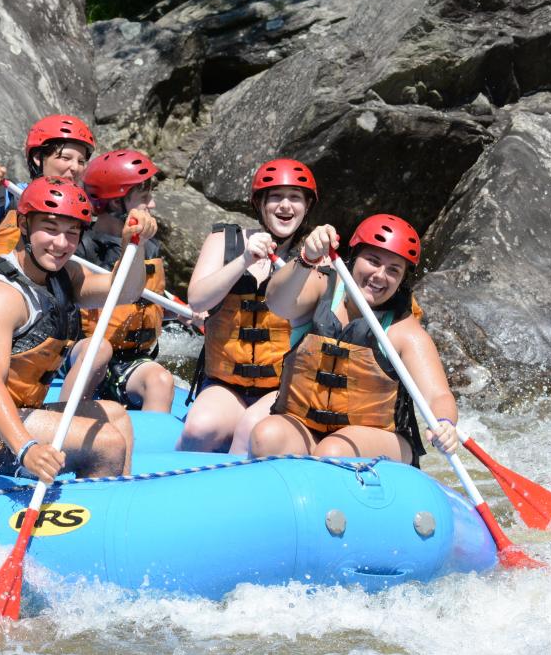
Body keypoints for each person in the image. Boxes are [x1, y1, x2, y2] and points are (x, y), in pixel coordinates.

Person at [0, 177, 157, 483]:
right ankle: (88, 521)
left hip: (10, 413)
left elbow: (123, 292)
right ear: (24, 225)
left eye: (71, 233)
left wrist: (136, 244)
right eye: (50, 229)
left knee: (117, 417)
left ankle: (107, 510)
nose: (61, 244)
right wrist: (26, 448)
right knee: (107, 441)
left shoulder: (62, 276)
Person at [247, 215, 459, 465]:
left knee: (333, 451)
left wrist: (445, 423)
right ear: (353, 257)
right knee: (265, 436)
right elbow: (276, 303)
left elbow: (438, 396)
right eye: (373, 260)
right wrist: (306, 258)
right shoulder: (321, 288)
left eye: (394, 270)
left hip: (381, 439)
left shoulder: (404, 331)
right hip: (308, 425)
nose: (380, 275)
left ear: (402, 280)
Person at [176, 159, 318, 454]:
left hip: (282, 386)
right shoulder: (224, 239)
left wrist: (308, 260)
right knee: (199, 428)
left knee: (250, 428)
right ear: (260, 203)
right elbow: (198, 299)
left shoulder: (314, 258)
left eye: (295, 198)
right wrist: (244, 262)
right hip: (226, 383)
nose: (285, 206)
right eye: (276, 197)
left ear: (306, 207)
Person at [72, 149, 174, 412]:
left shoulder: (149, 249)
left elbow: (153, 299)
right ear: (116, 204)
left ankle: (150, 451)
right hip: (77, 352)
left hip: (130, 358)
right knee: (98, 349)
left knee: (161, 380)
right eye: (144, 197)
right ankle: (66, 419)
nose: (151, 205)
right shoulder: (78, 246)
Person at [0, 114, 95, 255]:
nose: (75, 167)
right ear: (38, 158)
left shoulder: (81, 210)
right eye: (66, 158)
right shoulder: (11, 196)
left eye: (81, 161)